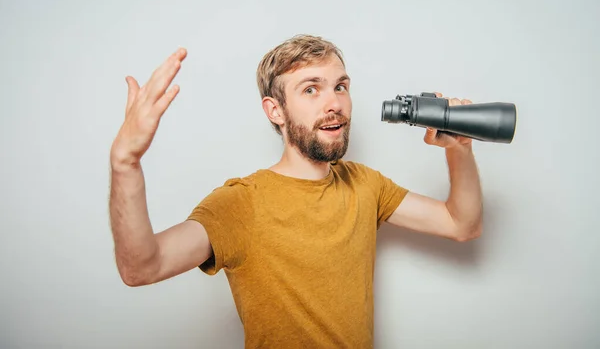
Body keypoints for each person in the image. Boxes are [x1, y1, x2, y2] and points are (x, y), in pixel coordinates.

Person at [109, 35, 483, 348]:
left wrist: (459, 149)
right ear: (276, 111)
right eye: (311, 89)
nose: (334, 103)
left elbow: (461, 224)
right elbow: (142, 267)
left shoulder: (365, 185)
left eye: (340, 86)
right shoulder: (242, 202)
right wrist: (126, 164)